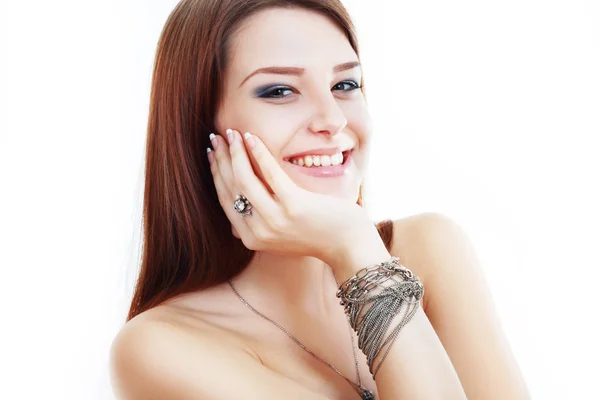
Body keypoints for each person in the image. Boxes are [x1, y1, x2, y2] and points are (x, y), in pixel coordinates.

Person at [109, 0, 531, 399]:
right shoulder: (162, 347)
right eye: (279, 91)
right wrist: (354, 248)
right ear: (202, 125)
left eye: (345, 84)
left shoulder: (430, 248)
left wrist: (359, 250)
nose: (333, 119)